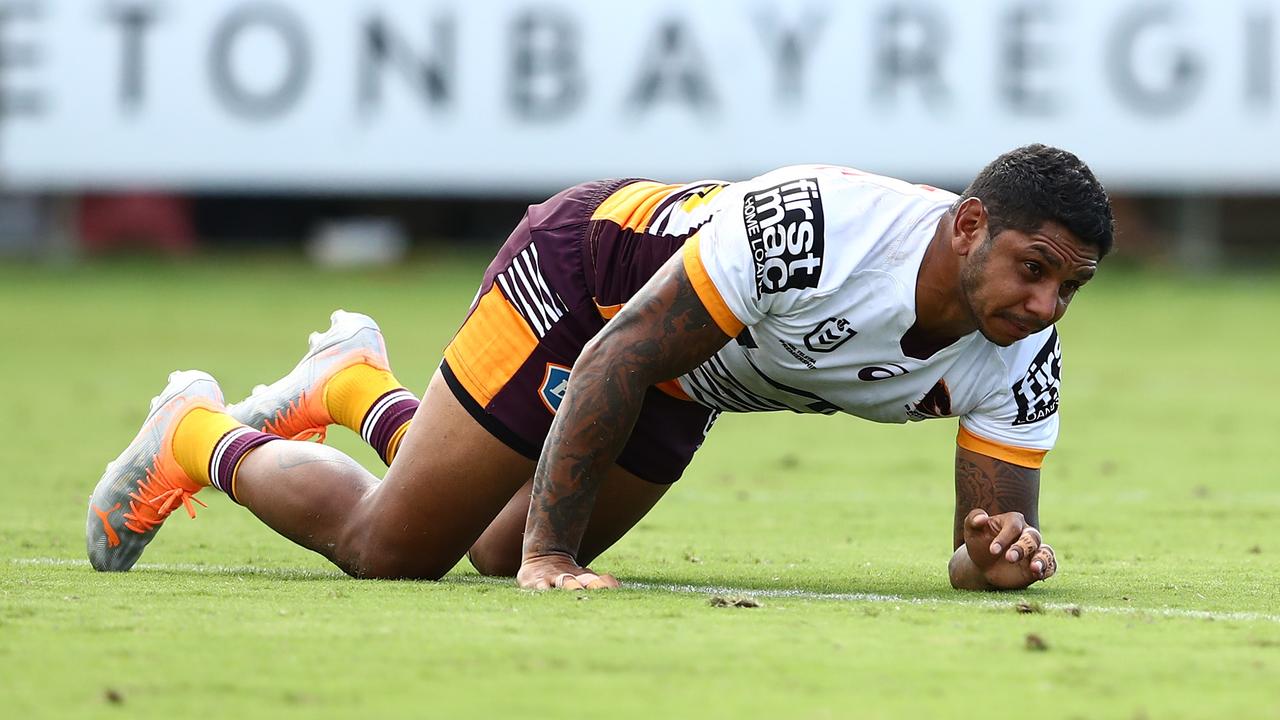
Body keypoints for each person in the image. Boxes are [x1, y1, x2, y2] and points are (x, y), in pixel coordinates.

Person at [86, 144, 1112, 592]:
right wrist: (553, 556)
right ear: (968, 225)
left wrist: (992, 561)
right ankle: (194, 431)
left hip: (686, 374)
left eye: (1068, 287)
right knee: (393, 549)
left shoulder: (1021, 359)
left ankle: (356, 390)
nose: (1042, 306)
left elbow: (975, 548)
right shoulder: (821, 228)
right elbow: (618, 354)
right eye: (1032, 271)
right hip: (592, 288)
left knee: (490, 549)